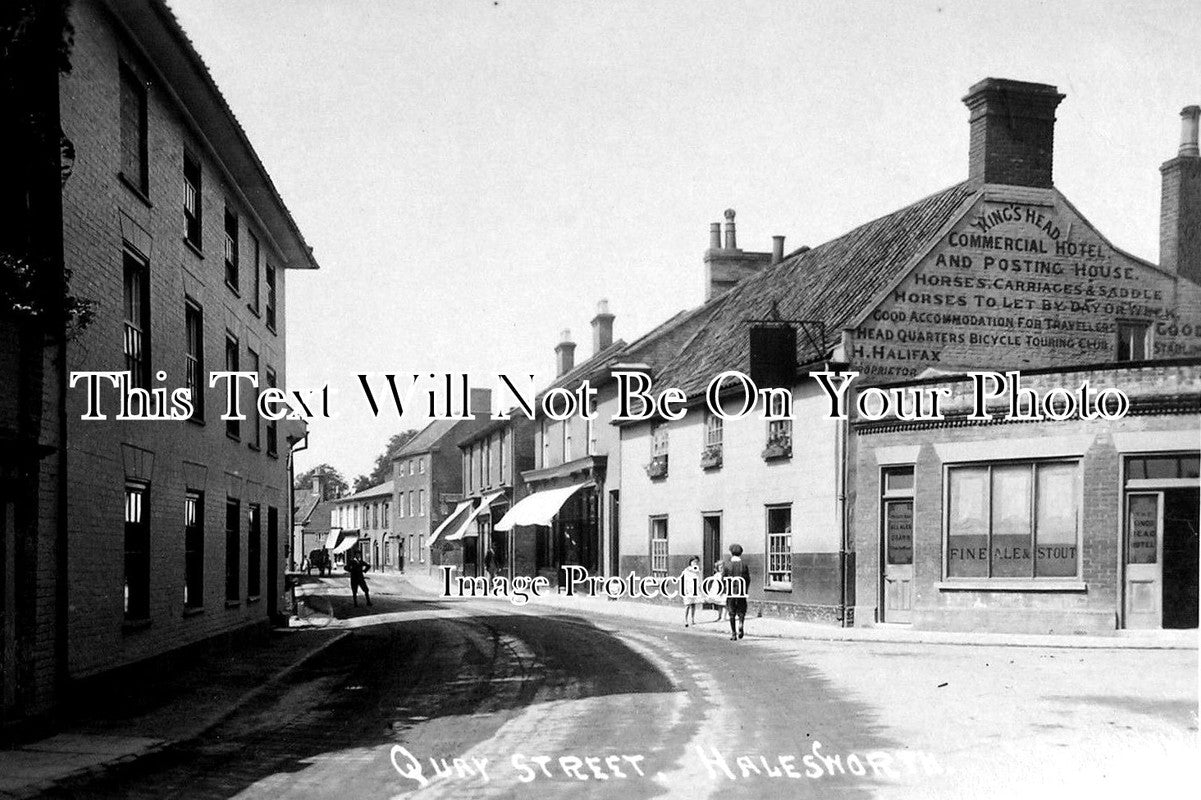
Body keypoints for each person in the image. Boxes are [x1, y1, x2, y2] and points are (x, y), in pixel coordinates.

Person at [721, 543, 750, 641]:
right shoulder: (744, 565)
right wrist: (745, 589)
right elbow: (747, 579)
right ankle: (741, 623)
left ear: (731, 553)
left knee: (731, 612)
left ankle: (733, 633)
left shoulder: (727, 565)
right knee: (742, 610)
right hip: (741, 591)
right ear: (740, 553)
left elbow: (723, 578)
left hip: (731, 592)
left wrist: (725, 588)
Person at [680, 556, 702, 627]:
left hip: (694, 589)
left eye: (697, 562)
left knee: (693, 605)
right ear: (690, 562)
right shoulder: (686, 571)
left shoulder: (697, 571)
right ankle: (685, 620)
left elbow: (699, 580)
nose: (695, 563)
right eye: (694, 562)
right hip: (688, 589)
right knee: (687, 605)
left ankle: (692, 619)